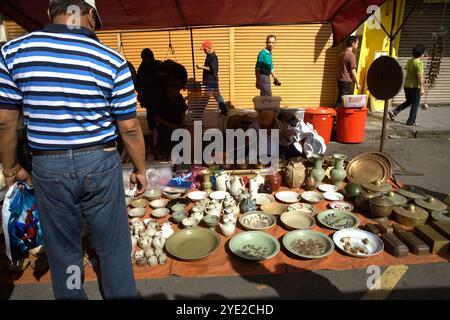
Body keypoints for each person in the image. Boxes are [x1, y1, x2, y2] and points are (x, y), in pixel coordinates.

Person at [0, 0, 147, 299]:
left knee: (65, 251)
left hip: (48, 167)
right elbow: (129, 127)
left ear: (50, 12)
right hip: (100, 163)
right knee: (113, 248)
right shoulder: (111, 59)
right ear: (90, 14)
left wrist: (10, 168)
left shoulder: (13, 52)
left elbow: (5, 121)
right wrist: (141, 169)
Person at [153, 60, 188, 160]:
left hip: (178, 127)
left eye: (179, 89)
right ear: (169, 88)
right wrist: (171, 126)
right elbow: (156, 117)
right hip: (165, 129)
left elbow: (183, 111)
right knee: (167, 140)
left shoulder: (179, 98)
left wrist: (182, 121)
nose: (178, 91)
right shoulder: (161, 99)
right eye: (175, 89)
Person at [389, 45, 426, 126]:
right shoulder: (419, 63)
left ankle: (394, 112)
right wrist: (422, 88)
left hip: (407, 86)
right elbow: (419, 76)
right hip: (415, 87)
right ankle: (411, 121)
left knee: (409, 101)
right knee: (415, 104)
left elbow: (406, 69)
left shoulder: (409, 61)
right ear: (421, 54)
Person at [196, 41, 228, 115]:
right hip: (212, 81)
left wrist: (201, 67)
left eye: (205, 49)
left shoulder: (213, 57)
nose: (204, 51)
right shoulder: (209, 56)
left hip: (211, 82)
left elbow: (213, 69)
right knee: (217, 96)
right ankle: (225, 111)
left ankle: (198, 114)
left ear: (209, 48)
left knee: (205, 99)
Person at [136, 48, 161, 131]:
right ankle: (153, 133)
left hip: (157, 95)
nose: (144, 60)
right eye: (143, 58)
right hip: (148, 96)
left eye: (145, 58)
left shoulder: (157, 65)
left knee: (159, 114)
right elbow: (138, 81)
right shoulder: (142, 67)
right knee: (150, 115)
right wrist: (140, 92)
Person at [335, 36, 361, 107]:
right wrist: (357, 82)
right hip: (346, 81)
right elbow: (353, 70)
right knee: (343, 101)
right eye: (357, 43)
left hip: (340, 80)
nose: (357, 45)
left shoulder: (342, 54)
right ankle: (334, 116)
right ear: (353, 44)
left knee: (341, 99)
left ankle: (335, 115)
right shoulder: (351, 55)